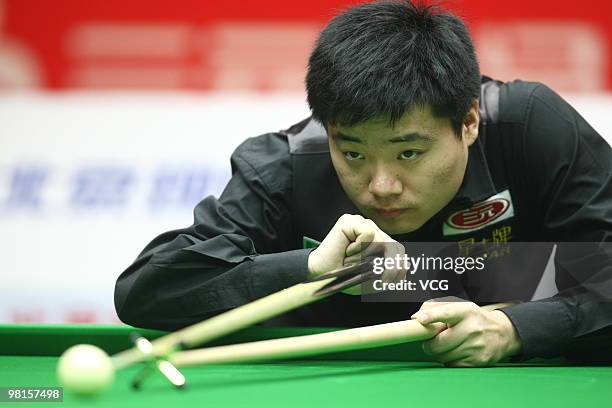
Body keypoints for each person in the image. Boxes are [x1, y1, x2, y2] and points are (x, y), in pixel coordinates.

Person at [115, 0, 612, 366]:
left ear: (468, 121)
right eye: (352, 152)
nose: (381, 186)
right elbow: (146, 290)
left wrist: (515, 328)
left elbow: (605, 271)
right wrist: (309, 269)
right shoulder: (284, 167)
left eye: (409, 153)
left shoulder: (529, 128)